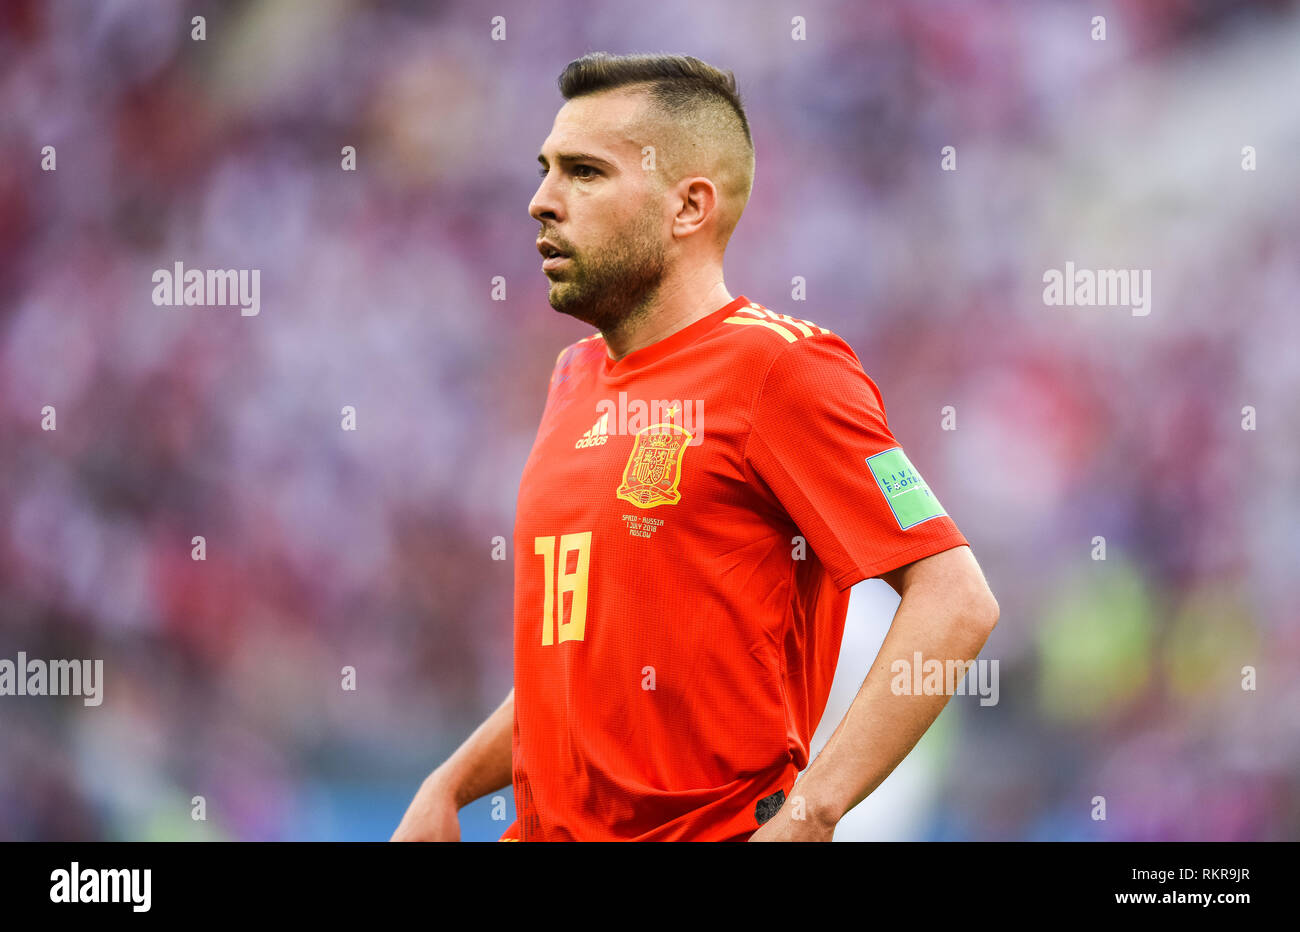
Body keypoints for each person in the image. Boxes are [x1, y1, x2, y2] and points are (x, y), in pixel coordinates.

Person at [393, 52, 998, 842]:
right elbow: (581, 667)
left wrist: (816, 809)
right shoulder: (574, 377)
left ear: (689, 208)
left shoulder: (781, 368)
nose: (542, 202)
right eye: (545, 171)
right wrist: (451, 783)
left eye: (584, 173)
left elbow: (956, 599)